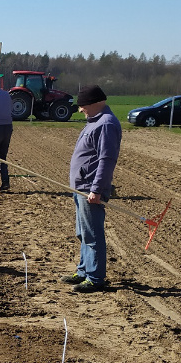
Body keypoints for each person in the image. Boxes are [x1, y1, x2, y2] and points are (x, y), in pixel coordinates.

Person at [60, 85, 121, 293]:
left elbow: (106, 160)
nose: (80, 110)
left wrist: (96, 189)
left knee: (93, 235)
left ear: (96, 103)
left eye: (83, 106)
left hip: (90, 190)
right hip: (81, 188)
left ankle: (95, 278)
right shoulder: (95, 121)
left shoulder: (106, 124)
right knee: (83, 233)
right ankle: (84, 270)